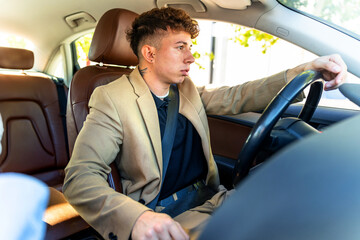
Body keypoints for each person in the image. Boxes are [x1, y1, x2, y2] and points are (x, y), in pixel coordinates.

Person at [63, 7, 347, 240]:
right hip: (166, 215)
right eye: (180, 47)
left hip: (213, 199)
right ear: (150, 53)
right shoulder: (111, 97)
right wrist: (137, 219)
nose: (191, 56)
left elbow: (237, 96)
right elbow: (80, 177)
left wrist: (300, 71)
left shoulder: (184, 89)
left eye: (190, 46)